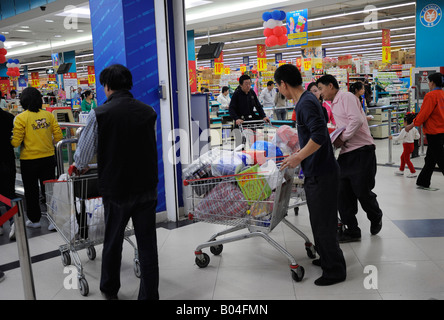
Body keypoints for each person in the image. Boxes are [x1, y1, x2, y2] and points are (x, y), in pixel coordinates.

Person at [73, 64, 159, 300]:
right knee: (147, 246)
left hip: (117, 188)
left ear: (107, 86)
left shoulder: (99, 114)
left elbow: (83, 154)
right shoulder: (148, 111)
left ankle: (110, 291)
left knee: (113, 242)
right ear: (128, 85)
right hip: (146, 187)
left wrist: (78, 167)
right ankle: (150, 295)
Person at [276, 64, 346, 286]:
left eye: (279, 86)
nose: (280, 90)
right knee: (318, 221)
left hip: (322, 172)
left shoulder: (305, 103)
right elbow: (314, 136)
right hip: (319, 169)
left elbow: (319, 136)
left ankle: (335, 271)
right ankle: (326, 259)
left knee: (324, 223)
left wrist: (297, 158)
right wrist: (299, 152)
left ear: (283, 84)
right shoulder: (306, 100)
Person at [317, 75, 383, 243]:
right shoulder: (333, 104)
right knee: (341, 192)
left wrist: (343, 137)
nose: (320, 93)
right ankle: (352, 230)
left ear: (330, 86)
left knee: (361, 189)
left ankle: (376, 215)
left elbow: (357, 119)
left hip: (362, 151)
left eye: (321, 89)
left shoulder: (346, 97)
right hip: (346, 153)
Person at [10, 87, 63, 229]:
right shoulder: (49, 115)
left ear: (23, 101)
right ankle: (54, 220)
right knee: (49, 190)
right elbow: (58, 137)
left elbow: (15, 142)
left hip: (29, 161)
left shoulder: (21, 118)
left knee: (31, 191)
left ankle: (35, 220)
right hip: (48, 158)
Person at [405, 72, 444, 189]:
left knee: (441, 159)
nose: (428, 84)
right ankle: (423, 181)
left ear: (432, 82)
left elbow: (423, 115)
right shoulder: (442, 94)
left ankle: (423, 181)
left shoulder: (431, 96)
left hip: (434, 131)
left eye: (428, 81)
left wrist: (411, 125)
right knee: (431, 158)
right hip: (442, 130)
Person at [0, 107, 16, 240]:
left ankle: (0, 225)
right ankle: (13, 221)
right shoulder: (9, 118)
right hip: (7, 159)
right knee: (9, 193)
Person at [390, 112, 420, 178]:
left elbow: (399, 137)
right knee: (402, 157)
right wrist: (412, 137)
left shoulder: (405, 129)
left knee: (406, 159)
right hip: (412, 145)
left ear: (406, 121)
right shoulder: (414, 129)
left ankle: (413, 172)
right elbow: (418, 136)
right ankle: (401, 170)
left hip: (407, 146)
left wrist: (392, 138)